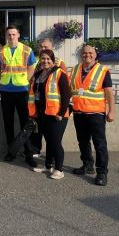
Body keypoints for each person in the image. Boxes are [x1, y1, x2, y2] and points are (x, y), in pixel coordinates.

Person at [70, 45, 115, 186]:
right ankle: (88, 165)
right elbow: (72, 90)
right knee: (83, 142)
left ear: (95, 55)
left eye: (90, 53)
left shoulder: (102, 70)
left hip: (96, 114)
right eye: (84, 53)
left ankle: (102, 172)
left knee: (100, 144)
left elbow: (109, 92)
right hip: (79, 113)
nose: (87, 55)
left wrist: (111, 110)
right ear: (81, 55)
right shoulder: (75, 69)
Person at [0, 25, 37, 167]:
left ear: (18, 35)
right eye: (9, 34)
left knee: (26, 122)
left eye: (13, 34)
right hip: (6, 90)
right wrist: (4, 78)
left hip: (22, 90)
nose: (11, 36)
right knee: (8, 122)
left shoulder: (26, 49)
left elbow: (32, 66)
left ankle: (28, 153)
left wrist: (25, 80)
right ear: (6, 36)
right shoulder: (0, 51)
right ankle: (11, 151)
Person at [28, 50, 71, 180]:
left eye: (48, 59)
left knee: (55, 142)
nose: (45, 61)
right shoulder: (39, 74)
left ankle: (59, 169)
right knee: (49, 141)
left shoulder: (59, 73)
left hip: (57, 114)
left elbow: (66, 95)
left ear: (53, 60)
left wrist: (61, 113)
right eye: (43, 59)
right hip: (42, 114)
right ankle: (48, 166)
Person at [31, 38, 67, 157]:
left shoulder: (59, 63)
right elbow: (33, 79)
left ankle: (54, 163)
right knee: (37, 129)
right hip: (38, 103)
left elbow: (65, 87)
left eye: (46, 47)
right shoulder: (38, 62)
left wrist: (61, 112)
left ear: (52, 47)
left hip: (52, 107)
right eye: (41, 47)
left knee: (53, 137)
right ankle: (36, 150)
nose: (43, 49)